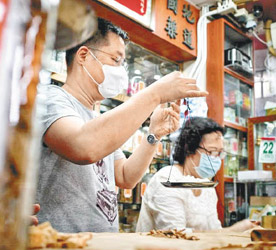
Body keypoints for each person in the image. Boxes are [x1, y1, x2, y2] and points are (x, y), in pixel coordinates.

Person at [35, 18, 208, 233]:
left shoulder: (97, 119)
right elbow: (82, 146)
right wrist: (155, 93)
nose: (120, 70)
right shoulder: (50, 98)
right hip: (63, 243)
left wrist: (153, 135)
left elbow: (126, 177)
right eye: (116, 60)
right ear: (83, 55)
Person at [136, 117, 258, 232]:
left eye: (220, 154)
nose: (216, 159)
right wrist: (233, 230)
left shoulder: (206, 185)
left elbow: (215, 232)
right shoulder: (167, 180)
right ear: (189, 149)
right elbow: (175, 235)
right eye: (212, 152)